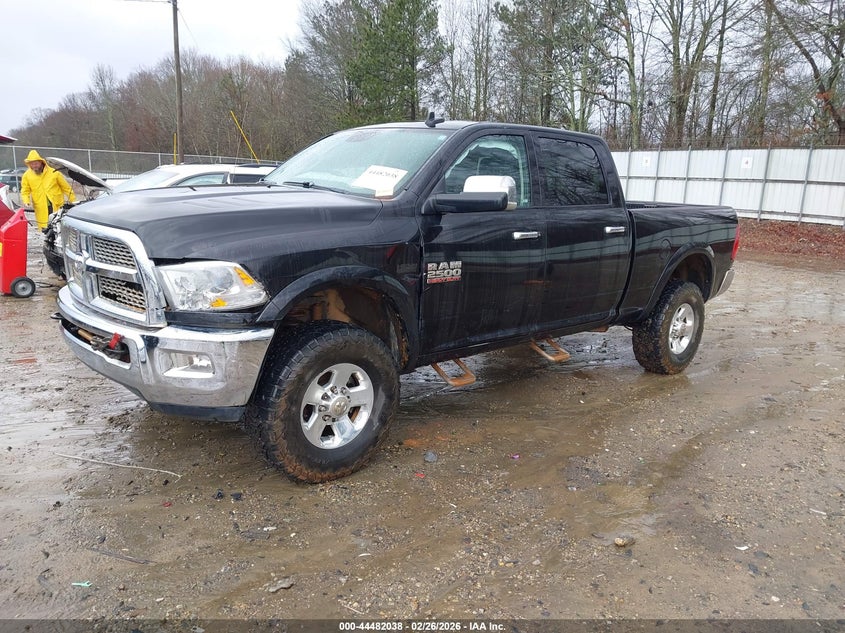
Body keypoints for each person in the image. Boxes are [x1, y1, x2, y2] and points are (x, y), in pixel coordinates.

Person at [19, 149, 76, 230]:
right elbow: (25, 190)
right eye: (31, 164)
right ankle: (48, 241)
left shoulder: (54, 172)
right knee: (45, 227)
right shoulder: (27, 175)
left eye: (35, 163)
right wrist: (26, 201)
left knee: (57, 225)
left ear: (41, 162)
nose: (34, 166)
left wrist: (72, 200)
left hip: (56, 204)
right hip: (40, 205)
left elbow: (66, 187)